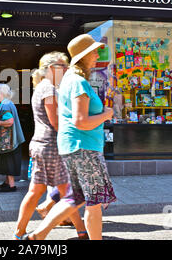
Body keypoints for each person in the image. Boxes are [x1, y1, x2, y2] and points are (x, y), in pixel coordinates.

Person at [22, 34, 117, 240]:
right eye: (93, 51)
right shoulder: (78, 82)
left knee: (74, 198)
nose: (96, 54)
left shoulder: (69, 81)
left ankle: (38, 235)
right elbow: (81, 121)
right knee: (93, 201)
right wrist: (106, 114)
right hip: (84, 148)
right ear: (83, 56)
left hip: (74, 147)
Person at [14, 51, 87, 240]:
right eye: (64, 65)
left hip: (43, 145)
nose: (67, 68)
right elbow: (55, 121)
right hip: (51, 146)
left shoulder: (43, 87)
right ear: (53, 68)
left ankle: (19, 233)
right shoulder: (49, 89)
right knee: (61, 191)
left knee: (51, 191)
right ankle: (81, 231)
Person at [0, 83, 25, 192]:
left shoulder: (4, 105)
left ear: (0, 93)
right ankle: (7, 182)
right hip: (13, 139)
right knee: (7, 160)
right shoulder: (8, 103)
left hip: (9, 140)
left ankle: (11, 185)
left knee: (8, 160)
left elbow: (10, 122)